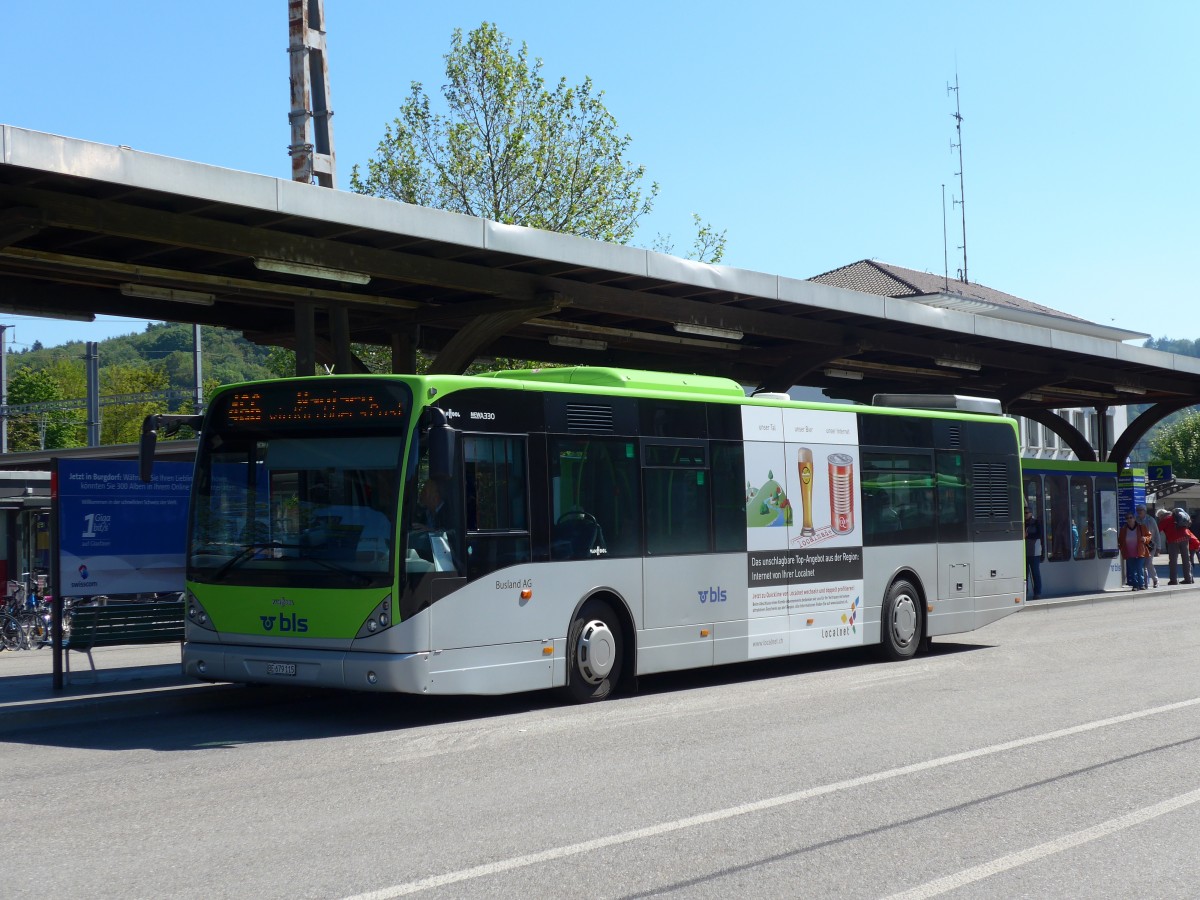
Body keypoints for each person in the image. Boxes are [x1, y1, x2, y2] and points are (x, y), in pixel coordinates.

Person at [1156, 509, 1194, 585]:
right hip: (1185, 538)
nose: (1159, 519)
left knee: (1173, 561)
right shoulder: (1176, 516)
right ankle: (1188, 578)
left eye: (1159, 517)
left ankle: (1174, 580)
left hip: (1173, 540)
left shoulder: (1165, 520)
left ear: (1161, 515)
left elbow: (1157, 531)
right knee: (1186, 559)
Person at [1118, 511, 1151, 590]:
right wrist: (1121, 548)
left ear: (1134, 518)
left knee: (1140, 568)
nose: (1129, 519)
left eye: (1131, 517)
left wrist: (1145, 539)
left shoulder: (1141, 527)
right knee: (1132, 570)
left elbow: (1149, 535)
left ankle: (1141, 584)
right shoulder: (1123, 529)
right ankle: (1135, 585)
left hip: (1140, 551)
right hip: (1129, 553)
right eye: (1127, 518)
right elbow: (1120, 540)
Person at [1135, 505, 1160, 588]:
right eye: (1137, 510)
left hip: (1151, 545)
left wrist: (1158, 547)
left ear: (1145, 511)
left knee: (1148, 563)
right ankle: (1144, 583)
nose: (1139, 511)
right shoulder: (1136, 520)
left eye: (1140, 510)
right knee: (1142, 564)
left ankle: (1155, 580)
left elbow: (1156, 533)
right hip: (1140, 545)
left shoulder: (1151, 520)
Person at [1024, 507, 1044, 600]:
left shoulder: (1036, 522)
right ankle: (1025, 592)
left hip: (1034, 552)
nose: (1025, 514)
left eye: (1027, 512)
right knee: (1025, 574)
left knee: (1035, 572)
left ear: (1031, 513)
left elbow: (1039, 534)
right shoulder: (1022, 523)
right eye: (1024, 513)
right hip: (1024, 552)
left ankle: (1037, 592)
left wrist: (1028, 536)